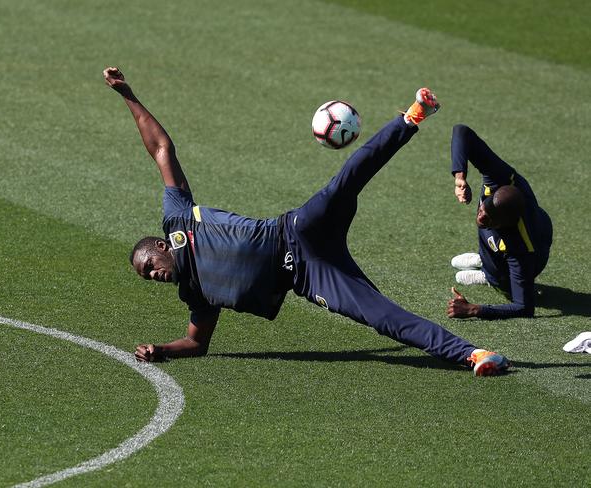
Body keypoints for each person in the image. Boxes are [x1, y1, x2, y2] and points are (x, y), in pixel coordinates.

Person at [103, 66, 509, 376]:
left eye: (149, 267)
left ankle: (412, 116)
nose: (152, 275)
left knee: (345, 183)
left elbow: (160, 149)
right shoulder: (195, 293)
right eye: (146, 277)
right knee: (381, 316)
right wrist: (162, 350)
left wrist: (128, 95)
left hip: (295, 230)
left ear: (160, 246)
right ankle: (473, 354)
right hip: (308, 276)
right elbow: (197, 342)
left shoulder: (177, 218)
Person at [447, 124, 553, 319]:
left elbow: (524, 308)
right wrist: (460, 177)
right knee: (486, 233)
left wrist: (474, 309)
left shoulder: (522, 247)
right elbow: (461, 131)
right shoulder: (498, 177)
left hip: (535, 249)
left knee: (506, 285)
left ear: (506, 224)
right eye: (482, 209)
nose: (480, 216)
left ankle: (492, 276)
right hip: (518, 225)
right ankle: (484, 259)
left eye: (488, 218)